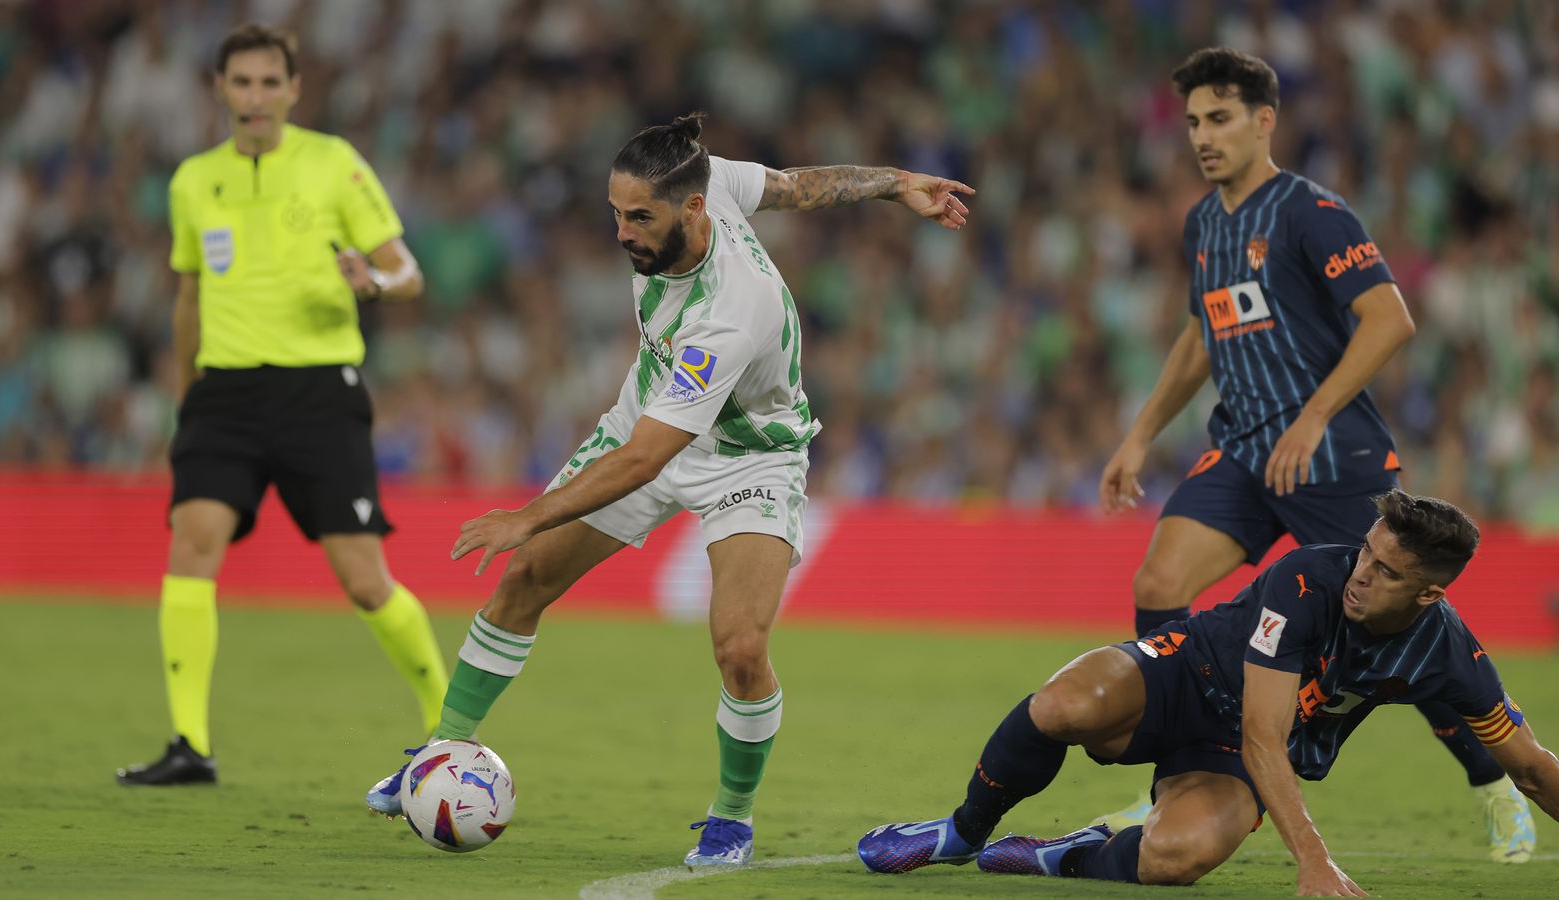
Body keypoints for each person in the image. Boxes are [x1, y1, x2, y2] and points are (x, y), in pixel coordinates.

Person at [361, 112, 975, 866]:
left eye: (639, 217)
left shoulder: (729, 312)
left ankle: (733, 818)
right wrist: (895, 183)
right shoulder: (709, 182)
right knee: (524, 581)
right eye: (615, 213)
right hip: (643, 422)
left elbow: (645, 463)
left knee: (741, 648)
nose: (622, 233)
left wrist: (530, 514)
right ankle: (439, 752)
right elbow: (797, 186)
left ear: (692, 209)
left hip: (748, 461)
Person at [1094, 47, 1535, 859]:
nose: (1202, 136)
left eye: (1219, 118)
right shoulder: (1203, 225)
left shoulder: (1311, 212)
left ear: (1265, 122)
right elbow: (1201, 335)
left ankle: (1497, 779)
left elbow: (1389, 318)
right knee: (1157, 583)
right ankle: (1177, 779)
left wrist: (1313, 417)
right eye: (1193, 121)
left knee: (1407, 636)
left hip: (1335, 456)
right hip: (1245, 451)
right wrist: (1140, 433)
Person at [859, 490, 1559, 894]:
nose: (1362, 574)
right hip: (1181, 677)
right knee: (1064, 705)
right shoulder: (1311, 579)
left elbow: (1528, 766)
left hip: (1230, 751)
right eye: (1366, 552)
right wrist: (1316, 864)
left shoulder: (1448, 654)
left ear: (1430, 594)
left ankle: (1056, 854)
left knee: (1177, 859)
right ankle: (959, 833)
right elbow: (1264, 732)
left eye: (1385, 571)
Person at [116, 24, 447, 785]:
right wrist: (185, 399)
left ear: (295, 89)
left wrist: (374, 283)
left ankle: (445, 727)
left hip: (318, 389)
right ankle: (189, 744)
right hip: (223, 392)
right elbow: (188, 295)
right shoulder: (193, 181)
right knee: (192, 544)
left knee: (364, 580)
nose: (256, 98)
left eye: (271, 83)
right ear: (220, 90)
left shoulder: (333, 163)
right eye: (243, 83)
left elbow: (409, 274)